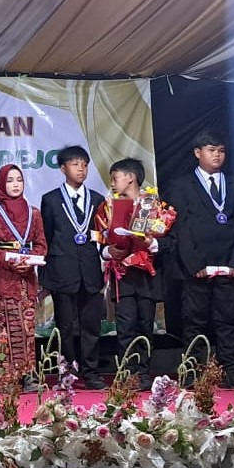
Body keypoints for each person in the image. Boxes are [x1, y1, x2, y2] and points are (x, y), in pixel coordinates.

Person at [166, 130, 234, 389]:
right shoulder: (181, 185)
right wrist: (194, 265)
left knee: (228, 321)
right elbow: (180, 228)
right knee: (194, 321)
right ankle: (192, 371)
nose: (217, 155)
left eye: (221, 150)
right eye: (211, 150)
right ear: (197, 153)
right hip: (196, 267)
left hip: (227, 265)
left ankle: (231, 370)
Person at [39, 146, 106, 390]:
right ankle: (66, 372)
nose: (81, 169)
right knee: (65, 326)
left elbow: (102, 236)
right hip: (62, 271)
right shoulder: (51, 200)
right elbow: (46, 238)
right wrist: (44, 276)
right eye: (75, 164)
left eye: (85, 165)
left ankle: (91, 372)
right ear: (63, 168)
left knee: (91, 326)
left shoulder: (97, 199)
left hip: (90, 271)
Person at [98, 159, 167, 391]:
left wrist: (152, 243)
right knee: (125, 326)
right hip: (123, 275)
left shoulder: (153, 204)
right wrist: (108, 251)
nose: (113, 183)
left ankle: (144, 373)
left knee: (145, 326)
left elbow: (170, 241)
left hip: (147, 274)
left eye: (115, 178)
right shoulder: (108, 206)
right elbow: (98, 239)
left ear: (131, 178)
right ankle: (127, 373)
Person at [0, 164, 47, 392]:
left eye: (19, 179)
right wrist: (9, 260)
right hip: (3, 278)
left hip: (26, 279)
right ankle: (4, 380)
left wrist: (28, 260)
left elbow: (41, 245)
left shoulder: (34, 212)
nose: (15, 184)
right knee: (3, 330)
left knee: (27, 329)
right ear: (1, 184)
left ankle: (28, 377)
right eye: (10, 180)